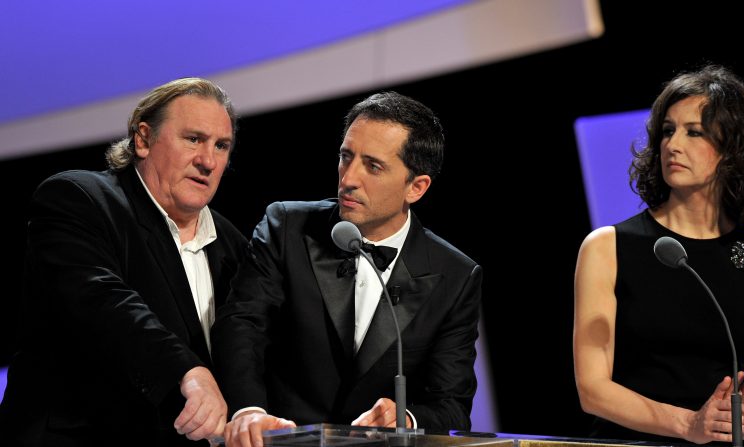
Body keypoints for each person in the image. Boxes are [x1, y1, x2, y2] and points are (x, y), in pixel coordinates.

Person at [212, 91, 482, 446]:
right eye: (345, 157)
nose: (349, 178)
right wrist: (249, 410)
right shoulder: (287, 227)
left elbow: (451, 405)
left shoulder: (456, 275)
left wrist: (407, 417)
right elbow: (242, 325)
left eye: (373, 166)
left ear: (416, 187)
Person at [0, 78, 248, 446]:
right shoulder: (79, 199)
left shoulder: (234, 245)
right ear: (143, 139)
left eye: (221, 145)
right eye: (193, 139)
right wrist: (188, 371)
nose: (208, 161)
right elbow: (104, 303)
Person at [573, 65, 744, 446]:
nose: (673, 144)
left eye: (694, 132)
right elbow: (592, 389)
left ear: (733, 150)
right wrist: (688, 424)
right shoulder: (607, 247)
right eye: (668, 130)